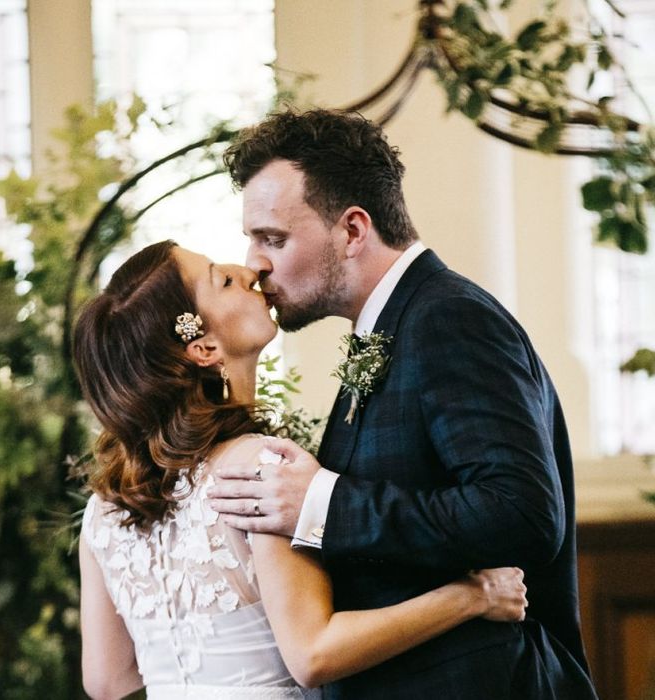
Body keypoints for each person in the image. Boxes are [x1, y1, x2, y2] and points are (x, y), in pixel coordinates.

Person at [207, 109, 600, 699]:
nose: (255, 261)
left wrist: (324, 503)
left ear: (353, 231)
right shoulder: (390, 326)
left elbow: (522, 513)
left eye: (274, 238)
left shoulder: (448, 316)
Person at [73, 240, 528, 700]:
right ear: (205, 347)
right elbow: (313, 654)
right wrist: (474, 595)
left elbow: (107, 681)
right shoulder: (260, 471)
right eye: (223, 279)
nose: (248, 270)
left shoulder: (104, 510)